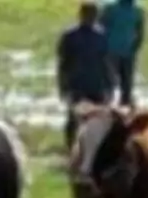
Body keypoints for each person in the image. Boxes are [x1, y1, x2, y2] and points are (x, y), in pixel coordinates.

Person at [57, 1, 113, 150]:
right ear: (81, 15)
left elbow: (106, 61)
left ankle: (94, 149)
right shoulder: (69, 36)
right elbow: (63, 63)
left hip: (96, 84)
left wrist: (109, 85)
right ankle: (71, 149)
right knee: (74, 119)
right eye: (88, 15)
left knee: (98, 119)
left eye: (93, 15)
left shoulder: (102, 35)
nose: (90, 18)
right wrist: (63, 86)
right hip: (77, 84)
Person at [101, 0, 146, 107]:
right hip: (125, 51)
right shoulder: (138, 11)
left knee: (110, 83)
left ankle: (110, 108)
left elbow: (100, 27)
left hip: (111, 51)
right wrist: (135, 47)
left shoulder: (110, 9)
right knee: (126, 85)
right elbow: (140, 33)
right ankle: (123, 108)